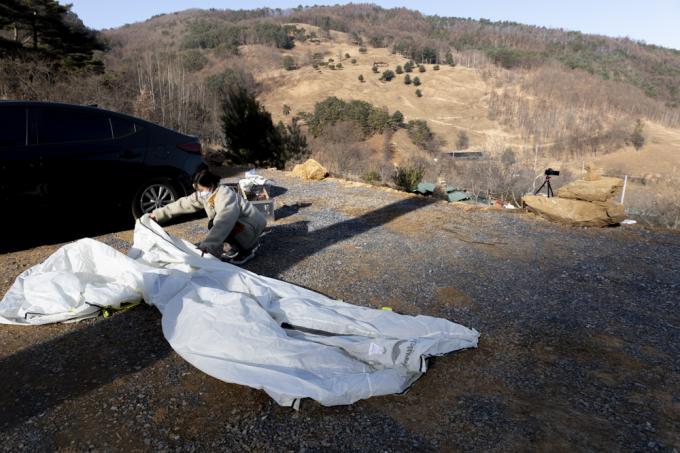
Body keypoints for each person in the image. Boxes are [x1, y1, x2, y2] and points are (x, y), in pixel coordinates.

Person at [149, 169, 267, 264]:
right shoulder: (206, 193)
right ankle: (237, 245)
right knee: (213, 224)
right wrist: (158, 214)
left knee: (218, 224)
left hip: (252, 225)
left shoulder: (225, 196)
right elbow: (183, 204)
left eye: (201, 190)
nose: (200, 193)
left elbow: (224, 222)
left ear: (210, 185)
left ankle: (249, 248)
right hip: (240, 223)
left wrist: (207, 246)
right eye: (198, 190)